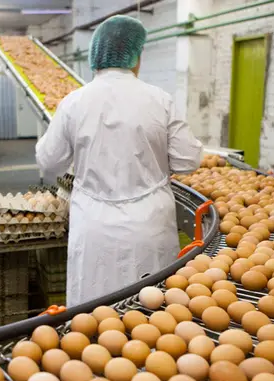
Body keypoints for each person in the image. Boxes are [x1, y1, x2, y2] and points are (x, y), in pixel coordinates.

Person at [35, 15, 203, 307]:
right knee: (151, 309)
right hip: (149, 223)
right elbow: (188, 159)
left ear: (96, 55)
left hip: (94, 224)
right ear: (136, 56)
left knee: (93, 311)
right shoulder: (160, 100)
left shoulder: (74, 102)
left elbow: (49, 162)